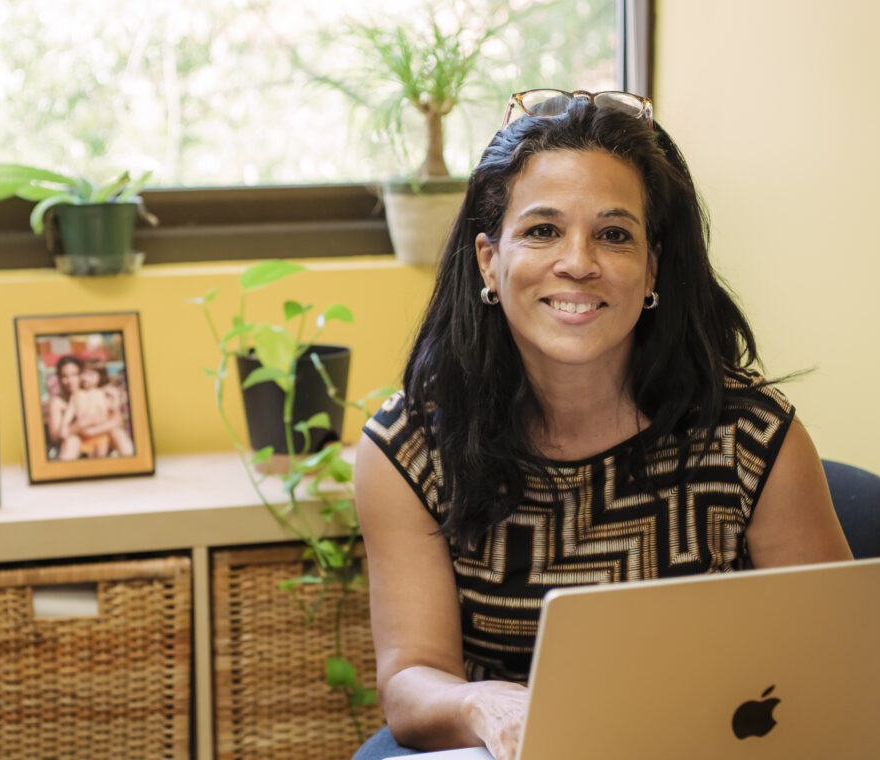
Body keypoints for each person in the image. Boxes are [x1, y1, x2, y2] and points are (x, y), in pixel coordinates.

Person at [351, 91, 852, 760]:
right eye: (542, 230)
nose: (579, 262)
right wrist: (483, 702)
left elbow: (845, 655)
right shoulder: (411, 447)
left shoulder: (752, 438)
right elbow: (412, 679)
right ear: (488, 262)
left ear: (651, 270)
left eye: (614, 234)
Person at [60, 359, 135, 459]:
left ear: (100, 377)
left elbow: (115, 414)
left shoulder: (103, 394)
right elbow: (68, 417)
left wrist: (115, 397)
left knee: (117, 437)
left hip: (102, 436)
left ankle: (132, 460)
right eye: (84, 374)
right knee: (72, 444)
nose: (86, 378)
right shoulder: (77, 395)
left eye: (91, 375)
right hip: (83, 438)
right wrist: (65, 429)